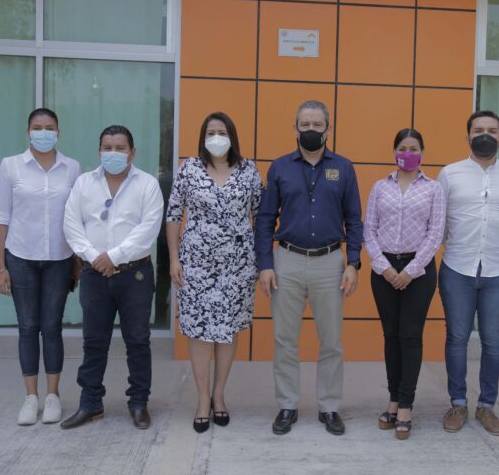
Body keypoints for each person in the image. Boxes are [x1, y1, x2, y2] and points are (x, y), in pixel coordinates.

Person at [255, 100, 363, 436]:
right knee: (285, 339)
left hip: (331, 263)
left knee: (331, 341)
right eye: (306, 125)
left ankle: (329, 407)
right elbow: (265, 218)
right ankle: (287, 404)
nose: (312, 130)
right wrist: (265, 263)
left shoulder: (344, 168)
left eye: (318, 125)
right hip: (286, 260)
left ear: (328, 129)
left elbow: (354, 219)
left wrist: (354, 262)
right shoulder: (279, 168)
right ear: (295, 128)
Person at [61, 125, 163, 430]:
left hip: (135, 274)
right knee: (94, 342)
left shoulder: (147, 184)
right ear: (99, 151)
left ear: (132, 152)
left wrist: (113, 256)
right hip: (94, 274)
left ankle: (138, 402)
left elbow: (149, 227)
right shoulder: (83, 184)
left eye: (120, 148)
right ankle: (90, 403)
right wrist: (95, 257)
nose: (113, 153)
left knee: (138, 340)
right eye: (107, 147)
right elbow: (71, 225)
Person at [166, 112, 262, 433]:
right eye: (211, 132)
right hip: (195, 263)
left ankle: (219, 395)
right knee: (200, 332)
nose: (216, 137)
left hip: (237, 265)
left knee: (227, 330)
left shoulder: (249, 171)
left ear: (232, 135)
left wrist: (262, 262)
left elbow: (261, 217)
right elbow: (173, 215)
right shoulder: (188, 170)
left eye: (222, 131)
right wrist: (173, 259)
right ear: (202, 137)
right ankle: (202, 400)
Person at [438, 110, 499, 436]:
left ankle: (487, 406)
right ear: (468, 136)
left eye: (491, 130)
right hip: (457, 268)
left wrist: (498, 248)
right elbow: (441, 221)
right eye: (478, 130)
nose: (485, 134)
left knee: (493, 342)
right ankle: (458, 403)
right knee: (457, 339)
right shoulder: (450, 174)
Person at [0, 108, 81, 425]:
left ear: (59, 131)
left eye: (50, 127)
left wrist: (78, 261)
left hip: (59, 258)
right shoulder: (11, 166)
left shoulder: (72, 168)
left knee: (52, 326)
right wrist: (1, 267)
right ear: (27, 132)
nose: (43, 133)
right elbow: (0, 216)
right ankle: (31, 397)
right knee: (28, 326)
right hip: (21, 257)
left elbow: (76, 217)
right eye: (37, 128)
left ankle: (53, 395)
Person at [364, 128, 444, 440]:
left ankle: (407, 404)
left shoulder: (434, 189)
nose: (407, 152)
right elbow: (368, 229)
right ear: (394, 151)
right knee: (391, 335)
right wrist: (384, 267)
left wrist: (411, 269)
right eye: (402, 147)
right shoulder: (380, 187)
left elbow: (435, 233)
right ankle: (393, 399)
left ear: (422, 152)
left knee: (411, 336)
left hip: (419, 270)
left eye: (413, 147)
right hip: (384, 269)